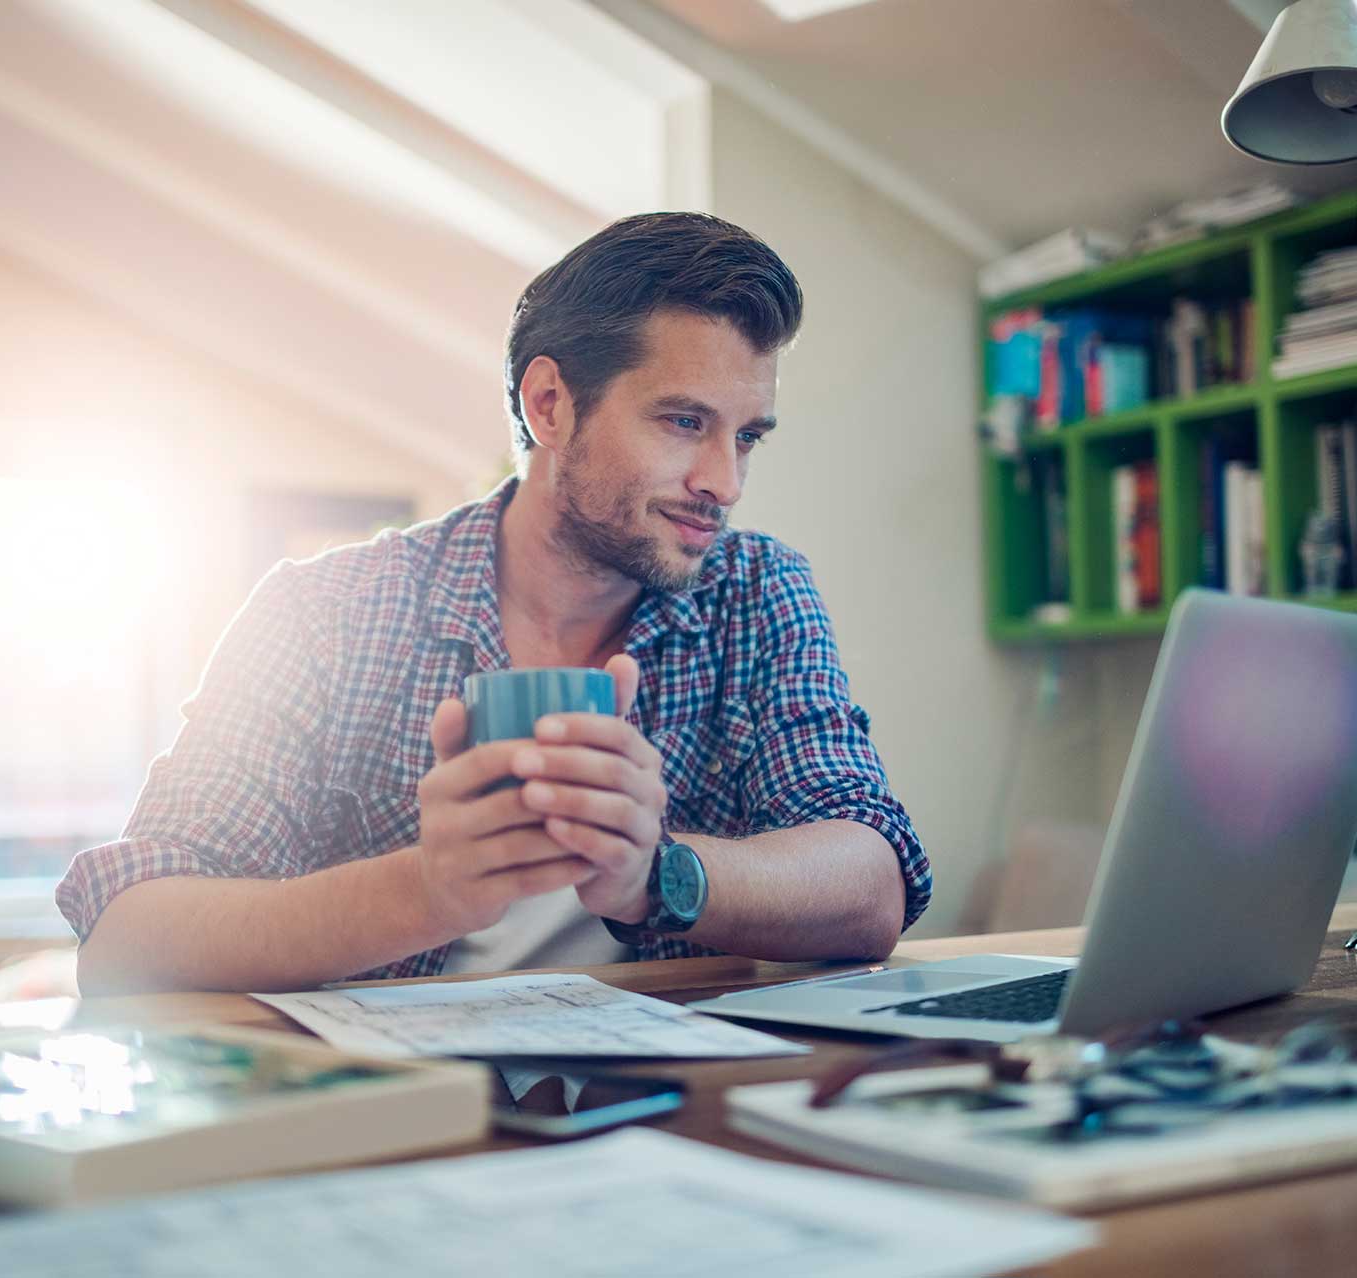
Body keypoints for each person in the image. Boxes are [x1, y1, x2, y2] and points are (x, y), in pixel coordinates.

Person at [60, 212, 931, 995]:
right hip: (395, 1115)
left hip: (665, 1109)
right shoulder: (322, 612)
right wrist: (427, 891)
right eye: (683, 423)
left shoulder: (757, 593)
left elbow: (871, 883)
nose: (725, 482)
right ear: (549, 404)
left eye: (746, 437)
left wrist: (657, 878)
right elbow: (128, 940)